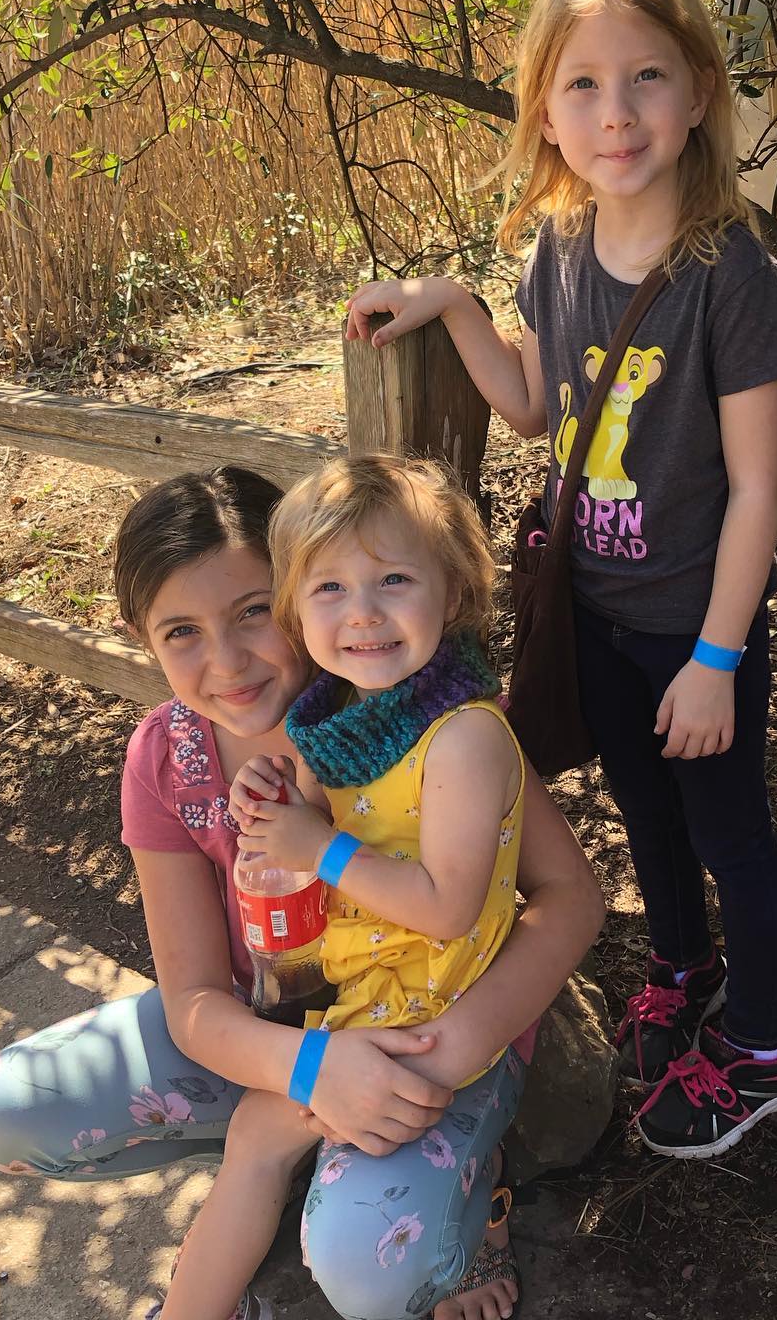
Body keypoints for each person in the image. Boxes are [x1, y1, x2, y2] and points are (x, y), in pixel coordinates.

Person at [345, 0, 777, 1161]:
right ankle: (680, 962)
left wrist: (716, 656)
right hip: (595, 613)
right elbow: (532, 408)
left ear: (701, 93)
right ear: (545, 112)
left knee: (727, 832)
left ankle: (767, 1047)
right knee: (644, 819)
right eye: (583, 86)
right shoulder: (558, 252)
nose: (616, 115)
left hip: (692, 628)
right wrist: (455, 305)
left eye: (648, 79)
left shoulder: (732, 276)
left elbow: (761, 489)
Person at [0, 465, 605, 1320]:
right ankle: (300, 1146)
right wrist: (306, 1073)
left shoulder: (404, 712)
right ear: (140, 638)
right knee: (7, 1113)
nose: (226, 662)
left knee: (377, 1273)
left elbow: (570, 894)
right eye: (181, 631)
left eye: (254, 612)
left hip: (425, 1026)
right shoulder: (167, 756)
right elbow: (193, 999)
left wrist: (458, 1042)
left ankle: (469, 1192)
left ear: (299, 588)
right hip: (275, 1028)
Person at [160, 453, 530, 1320]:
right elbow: (315, 822)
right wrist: (274, 798)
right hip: (359, 1003)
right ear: (297, 609)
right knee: (260, 1137)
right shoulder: (339, 719)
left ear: (456, 591)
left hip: (433, 1013)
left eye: (394, 580)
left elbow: (447, 905)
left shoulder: (464, 737)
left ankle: (484, 1202)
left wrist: (318, 847)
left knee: (351, 1240)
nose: (362, 614)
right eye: (328, 589)